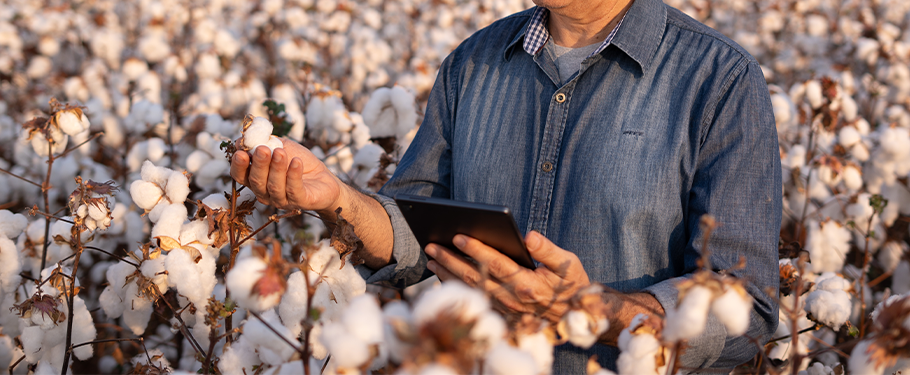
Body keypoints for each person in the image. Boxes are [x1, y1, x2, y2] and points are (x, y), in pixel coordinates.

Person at [230, 0, 782, 372]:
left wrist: (592, 309)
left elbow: (745, 304)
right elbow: (414, 230)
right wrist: (337, 199)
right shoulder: (473, 62)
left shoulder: (719, 79)